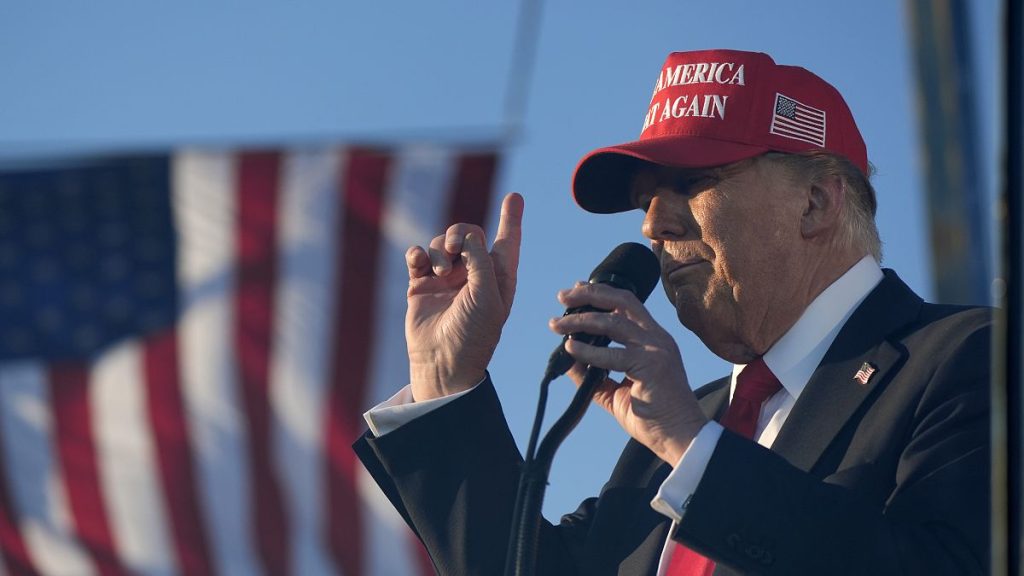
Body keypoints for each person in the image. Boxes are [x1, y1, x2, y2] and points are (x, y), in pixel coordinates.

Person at [354, 49, 991, 575]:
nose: (654, 224)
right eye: (645, 199)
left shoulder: (974, 358)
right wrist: (447, 380)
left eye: (692, 183)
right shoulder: (683, 431)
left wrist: (691, 443)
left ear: (816, 204)